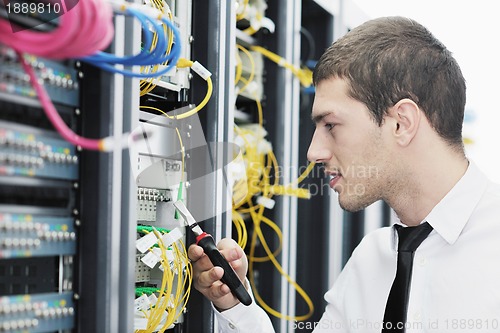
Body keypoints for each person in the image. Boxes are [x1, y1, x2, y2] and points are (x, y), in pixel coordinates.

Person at [188, 16, 500, 333]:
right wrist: (234, 304)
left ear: (401, 123)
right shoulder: (372, 260)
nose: (313, 152)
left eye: (331, 125)